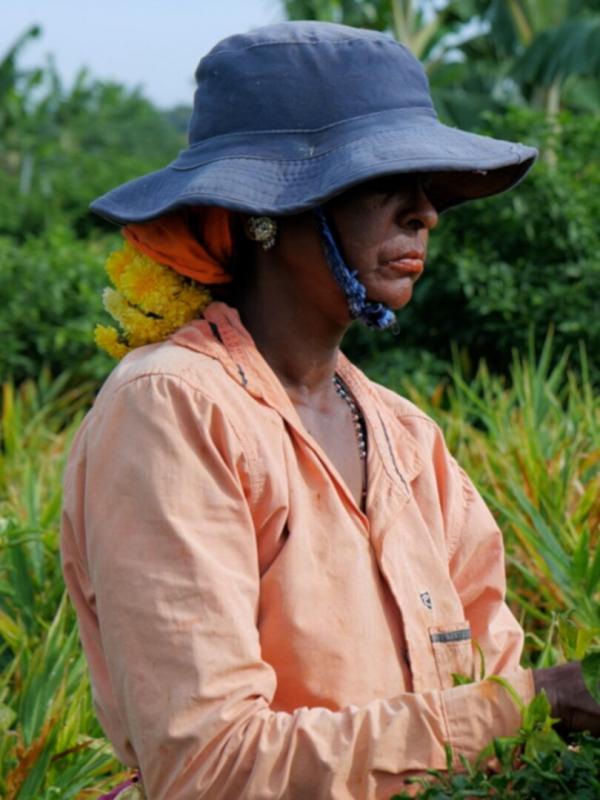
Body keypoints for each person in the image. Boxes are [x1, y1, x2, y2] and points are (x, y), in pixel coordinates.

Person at [60, 21, 600, 800]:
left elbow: (488, 684)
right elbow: (210, 767)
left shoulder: (408, 437)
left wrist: (524, 713)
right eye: (385, 182)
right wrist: (536, 703)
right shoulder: (175, 408)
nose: (425, 214)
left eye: (428, 187)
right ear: (266, 209)